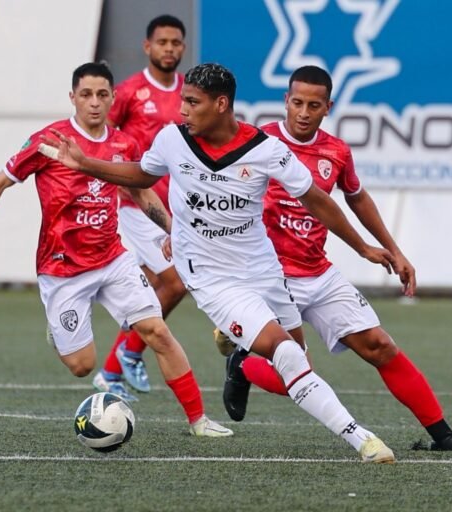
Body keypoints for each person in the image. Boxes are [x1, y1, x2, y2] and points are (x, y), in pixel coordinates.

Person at [40, 62, 404, 463]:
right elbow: (142, 176)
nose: (182, 111)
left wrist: (362, 247)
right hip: (211, 278)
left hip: (263, 269)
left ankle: (239, 359)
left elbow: (316, 199)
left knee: (298, 362)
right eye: (182, 101)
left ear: (221, 104)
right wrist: (85, 163)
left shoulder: (265, 149)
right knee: (285, 354)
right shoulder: (172, 140)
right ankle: (363, 440)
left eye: (192, 103)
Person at [214, 65, 452, 452]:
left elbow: (357, 198)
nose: (304, 112)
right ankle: (242, 365)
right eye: (297, 103)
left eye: (314, 105)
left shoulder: (336, 151)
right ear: (285, 102)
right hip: (270, 277)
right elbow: (215, 189)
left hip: (317, 271)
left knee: (380, 346)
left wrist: (394, 250)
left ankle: (443, 435)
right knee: (298, 370)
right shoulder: (258, 142)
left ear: (328, 107)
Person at [0, 62, 232, 438]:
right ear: (73, 97)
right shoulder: (49, 140)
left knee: (157, 331)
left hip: (112, 259)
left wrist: (174, 230)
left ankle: (199, 420)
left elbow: (140, 191)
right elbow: (0, 181)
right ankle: (59, 332)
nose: (94, 103)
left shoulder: (123, 144)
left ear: (112, 98)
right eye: (86, 95)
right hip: (61, 268)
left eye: (102, 95)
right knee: (81, 366)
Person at [93, 15, 189, 399]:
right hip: (136, 203)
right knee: (175, 282)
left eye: (176, 42)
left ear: (183, 47)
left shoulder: (190, 92)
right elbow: (99, 136)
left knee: (151, 290)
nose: (169, 48)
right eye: (162, 42)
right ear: (147, 47)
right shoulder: (130, 92)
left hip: (178, 206)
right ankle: (131, 353)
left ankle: (111, 373)